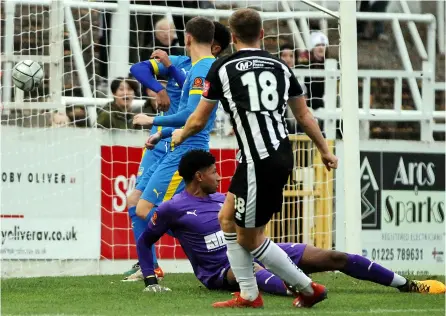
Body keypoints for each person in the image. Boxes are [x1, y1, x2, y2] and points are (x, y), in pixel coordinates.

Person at [172, 8, 337, 309]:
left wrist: (179, 135)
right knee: (226, 218)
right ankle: (249, 294)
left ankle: (307, 287)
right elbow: (303, 114)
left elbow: (197, 120)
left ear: (232, 37)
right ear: (262, 34)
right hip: (272, 155)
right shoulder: (280, 66)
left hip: (258, 160)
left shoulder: (222, 67)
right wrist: (324, 149)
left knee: (250, 238)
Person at [133, 150, 446, 296]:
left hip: (259, 251)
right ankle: (302, 291)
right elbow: (145, 240)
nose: (219, 175)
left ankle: (408, 285)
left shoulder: (224, 199)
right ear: (199, 175)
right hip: (219, 272)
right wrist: (151, 281)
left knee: (334, 257)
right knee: (256, 270)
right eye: (214, 171)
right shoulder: (173, 208)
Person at [125, 21, 231, 278]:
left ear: (187, 38)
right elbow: (190, 116)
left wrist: (153, 121)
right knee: (138, 204)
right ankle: (152, 267)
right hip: (177, 144)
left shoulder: (202, 68)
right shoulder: (196, 67)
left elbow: (190, 116)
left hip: (187, 150)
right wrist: (162, 133)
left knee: (148, 209)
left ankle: (212, 240)